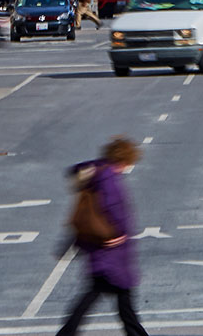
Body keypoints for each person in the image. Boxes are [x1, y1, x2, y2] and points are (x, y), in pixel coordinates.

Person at [55, 137, 148, 336]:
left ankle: (67, 333)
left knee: (99, 295)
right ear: (123, 160)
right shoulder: (109, 180)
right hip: (112, 248)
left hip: (100, 248)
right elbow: (114, 209)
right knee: (120, 297)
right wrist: (120, 234)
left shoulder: (97, 172)